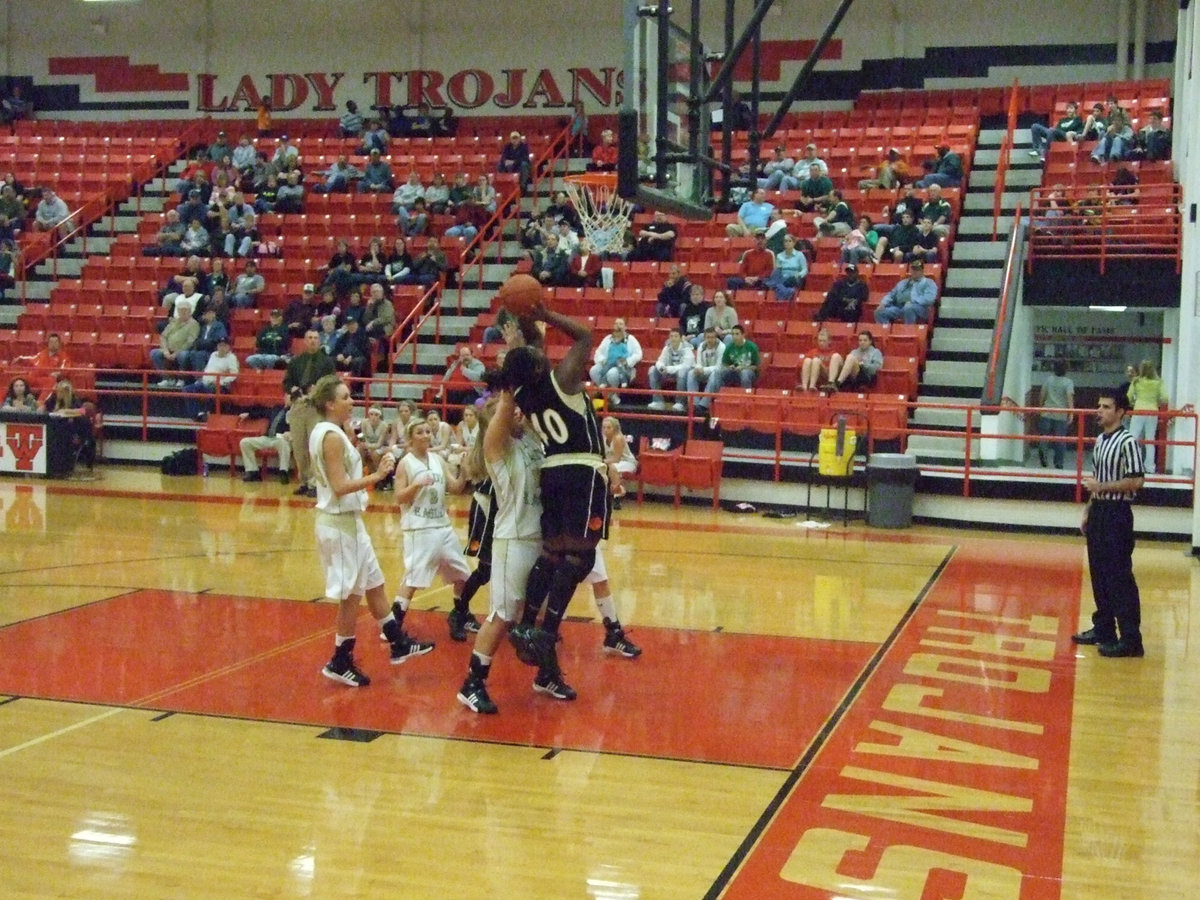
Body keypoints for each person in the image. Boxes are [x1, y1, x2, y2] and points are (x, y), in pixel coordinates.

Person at [492, 300, 610, 693]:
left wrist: (519, 343)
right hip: (581, 471)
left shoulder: (522, 390)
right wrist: (546, 315)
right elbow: (586, 337)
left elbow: (524, 362)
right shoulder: (563, 378)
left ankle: (528, 623)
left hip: (552, 472)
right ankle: (545, 632)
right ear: (541, 362)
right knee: (581, 557)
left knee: (553, 554)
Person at [307, 376, 432, 687]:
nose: (351, 401)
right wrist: (378, 475)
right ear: (330, 403)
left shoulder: (330, 431)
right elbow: (339, 486)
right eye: (345, 397)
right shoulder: (330, 437)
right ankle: (340, 659)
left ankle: (397, 641)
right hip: (339, 523)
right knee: (351, 595)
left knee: (375, 583)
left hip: (350, 522)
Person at [1071, 388, 1145, 658]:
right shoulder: (1101, 440)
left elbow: (1136, 480)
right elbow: (1097, 479)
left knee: (1119, 576)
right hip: (1100, 511)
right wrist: (1088, 510)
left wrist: (1101, 487)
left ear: (1120, 412)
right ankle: (1104, 628)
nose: (1099, 411)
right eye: (1099, 406)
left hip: (1117, 514)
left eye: (1106, 407)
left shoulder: (1128, 441)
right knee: (1098, 573)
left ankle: (1131, 639)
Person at [391, 416, 473, 642]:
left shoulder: (437, 460)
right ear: (410, 438)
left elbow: (455, 488)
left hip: (442, 526)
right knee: (413, 579)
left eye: (428, 431)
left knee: (462, 575)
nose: (426, 435)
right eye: (420, 432)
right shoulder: (406, 463)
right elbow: (399, 496)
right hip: (420, 528)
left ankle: (459, 616)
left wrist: (464, 472)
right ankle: (393, 627)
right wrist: (416, 485)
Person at [284, 330, 337, 497]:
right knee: (299, 447)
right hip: (298, 405)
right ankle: (304, 481)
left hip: (315, 407)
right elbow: (287, 381)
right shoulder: (296, 361)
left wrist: (318, 389)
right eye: (309, 338)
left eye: (315, 338)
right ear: (305, 341)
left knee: (314, 446)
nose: (313, 341)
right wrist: (292, 388)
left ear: (319, 341)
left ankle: (316, 483)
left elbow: (332, 383)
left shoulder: (327, 362)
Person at [588, 318, 642, 405]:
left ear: (625, 327)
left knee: (612, 373)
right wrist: (602, 360)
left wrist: (627, 361)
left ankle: (614, 394)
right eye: (616, 324)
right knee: (593, 371)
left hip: (623, 367)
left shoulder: (631, 339)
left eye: (621, 324)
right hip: (608, 363)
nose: (618, 326)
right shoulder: (608, 338)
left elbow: (638, 354)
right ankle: (610, 395)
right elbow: (598, 352)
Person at [1127, 360, 1168, 475]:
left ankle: (1133, 465)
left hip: (1139, 410)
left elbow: (1129, 396)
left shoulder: (1136, 381)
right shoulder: (1158, 382)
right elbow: (1165, 398)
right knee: (1150, 440)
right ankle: (1150, 467)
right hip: (1152, 411)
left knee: (1133, 437)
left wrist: (1134, 402)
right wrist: (1156, 402)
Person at [182, 337, 238, 421]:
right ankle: (197, 414)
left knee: (210, 390)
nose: (222, 348)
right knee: (187, 389)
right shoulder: (213, 355)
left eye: (224, 346)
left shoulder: (231, 358)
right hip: (205, 382)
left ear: (228, 347)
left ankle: (206, 413)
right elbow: (208, 368)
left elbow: (234, 374)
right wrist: (202, 378)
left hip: (220, 386)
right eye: (220, 345)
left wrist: (221, 382)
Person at [239, 402, 292, 483]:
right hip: (268, 437)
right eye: (287, 396)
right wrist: (249, 414)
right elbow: (262, 412)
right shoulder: (276, 408)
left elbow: (298, 425)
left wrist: (291, 432)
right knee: (245, 442)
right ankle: (252, 471)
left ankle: (283, 471)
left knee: (284, 444)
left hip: (281, 438)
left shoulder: (295, 411)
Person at [873, 260, 938, 325]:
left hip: (920, 308)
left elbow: (929, 299)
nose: (914, 272)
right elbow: (891, 294)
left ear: (922, 271)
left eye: (917, 270)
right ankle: (886, 329)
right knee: (879, 312)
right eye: (913, 270)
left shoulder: (929, 283)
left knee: (908, 307)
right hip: (899, 307)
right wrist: (883, 303)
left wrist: (913, 301)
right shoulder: (903, 282)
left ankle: (909, 329)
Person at [1037, 359, 1075, 469]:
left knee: (1044, 437)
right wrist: (1071, 413)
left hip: (1046, 412)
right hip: (1061, 414)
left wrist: (1040, 407)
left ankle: (1043, 456)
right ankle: (1058, 463)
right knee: (1060, 439)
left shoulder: (1048, 380)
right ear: (1066, 370)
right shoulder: (1068, 382)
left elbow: (1042, 395)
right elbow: (1069, 398)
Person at [647, 328, 695, 411]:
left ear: (681, 338)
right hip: (669, 372)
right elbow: (659, 361)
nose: (673, 339)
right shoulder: (667, 348)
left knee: (681, 372)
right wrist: (661, 367)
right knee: (652, 370)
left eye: (676, 336)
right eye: (671, 336)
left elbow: (686, 366)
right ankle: (658, 401)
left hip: (684, 374)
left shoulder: (687, 349)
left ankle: (680, 403)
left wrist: (668, 369)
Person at [686, 327, 726, 411]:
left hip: (718, 376)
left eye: (712, 337)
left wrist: (704, 370)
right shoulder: (701, 346)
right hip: (704, 372)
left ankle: (703, 405)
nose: (710, 340)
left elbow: (719, 367)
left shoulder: (721, 347)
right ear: (704, 338)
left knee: (715, 373)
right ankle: (693, 404)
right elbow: (698, 362)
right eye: (708, 337)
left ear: (716, 338)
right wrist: (698, 368)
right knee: (691, 373)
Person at [602, 416, 637, 502]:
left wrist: (602, 461)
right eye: (604, 427)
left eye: (609, 427)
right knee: (606, 467)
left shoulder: (618, 438)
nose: (605, 430)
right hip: (612, 461)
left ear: (614, 428)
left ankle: (617, 495)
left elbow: (617, 459)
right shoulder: (602, 438)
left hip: (627, 462)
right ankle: (617, 490)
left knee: (611, 467)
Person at [1090, 97, 1134, 164]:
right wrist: (1108, 132)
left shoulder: (1127, 128)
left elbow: (1128, 138)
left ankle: (1114, 157)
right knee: (1104, 138)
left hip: (1124, 148)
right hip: (1112, 145)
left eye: (1118, 121)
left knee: (1117, 139)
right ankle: (1098, 155)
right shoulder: (1109, 117)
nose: (1116, 122)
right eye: (1114, 121)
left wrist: (1116, 135)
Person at [798, 327, 841, 393]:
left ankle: (812, 386)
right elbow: (800, 366)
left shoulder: (833, 353)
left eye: (824, 341)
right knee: (807, 360)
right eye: (820, 341)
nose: (821, 343)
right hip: (813, 375)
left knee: (816, 360)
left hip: (826, 377)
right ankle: (804, 387)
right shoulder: (813, 352)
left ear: (829, 341)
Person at [719, 324, 760, 389]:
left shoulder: (752, 347)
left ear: (743, 335)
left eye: (737, 334)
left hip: (749, 372)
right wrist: (730, 367)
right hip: (734, 372)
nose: (734, 336)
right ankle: (718, 393)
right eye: (733, 334)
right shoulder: (729, 347)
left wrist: (744, 367)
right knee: (718, 372)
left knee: (744, 373)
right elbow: (725, 364)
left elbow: (757, 367)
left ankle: (745, 394)